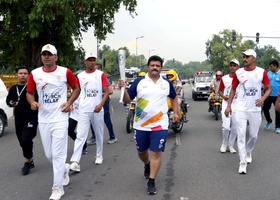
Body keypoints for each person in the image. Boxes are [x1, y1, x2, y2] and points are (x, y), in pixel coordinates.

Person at [118, 55, 179, 195]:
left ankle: (151, 181)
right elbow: (128, 100)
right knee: (142, 151)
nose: (155, 68)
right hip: (141, 124)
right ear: (148, 67)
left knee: (156, 152)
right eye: (152, 65)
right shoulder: (139, 82)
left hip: (160, 124)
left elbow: (174, 97)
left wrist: (175, 112)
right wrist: (124, 89)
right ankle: (147, 164)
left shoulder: (166, 83)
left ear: (161, 68)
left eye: (157, 66)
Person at [26, 44, 80, 200]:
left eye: (50, 54)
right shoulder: (35, 74)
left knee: (57, 154)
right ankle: (64, 168)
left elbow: (76, 88)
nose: (46, 56)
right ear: (41, 56)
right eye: (44, 54)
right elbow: (29, 93)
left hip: (60, 118)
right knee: (49, 155)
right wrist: (32, 102)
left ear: (56, 57)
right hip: (43, 119)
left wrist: (69, 103)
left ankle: (57, 188)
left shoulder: (65, 72)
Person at [225, 49, 271, 174]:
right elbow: (233, 89)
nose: (244, 59)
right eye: (244, 56)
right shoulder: (238, 72)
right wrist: (229, 106)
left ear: (254, 58)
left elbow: (268, 89)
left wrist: (262, 99)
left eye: (247, 57)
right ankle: (242, 162)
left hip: (255, 109)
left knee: (253, 136)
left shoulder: (261, 72)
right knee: (240, 136)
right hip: (240, 108)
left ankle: (248, 150)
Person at [69, 52, 109, 172]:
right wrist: (70, 103)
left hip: (97, 109)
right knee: (81, 135)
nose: (92, 62)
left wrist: (101, 104)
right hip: (84, 109)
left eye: (93, 60)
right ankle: (75, 161)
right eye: (89, 60)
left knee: (99, 133)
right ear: (85, 61)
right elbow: (77, 91)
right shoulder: (80, 76)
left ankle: (99, 155)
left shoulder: (100, 74)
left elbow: (107, 91)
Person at [6, 66, 38, 175]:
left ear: (28, 75)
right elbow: (8, 100)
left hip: (31, 118)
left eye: (25, 73)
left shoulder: (32, 88)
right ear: (16, 75)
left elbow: (38, 101)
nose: (23, 75)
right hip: (18, 119)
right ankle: (30, 158)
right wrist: (11, 103)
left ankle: (27, 162)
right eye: (20, 73)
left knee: (26, 139)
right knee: (22, 142)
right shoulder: (13, 88)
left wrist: (36, 105)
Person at [87, 63, 117, 145]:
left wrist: (100, 94)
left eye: (96, 69)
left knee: (106, 119)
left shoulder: (103, 77)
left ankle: (112, 136)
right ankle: (94, 137)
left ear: (100, 69)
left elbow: (110, 91)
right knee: (91, 119)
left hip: (104, 101)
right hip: (93, 101)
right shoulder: (91, 78)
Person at [218, 59, 239, 154]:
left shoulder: (241, 78)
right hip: (226, 104)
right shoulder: (225, 78)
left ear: (238, 67)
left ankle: (230, 145)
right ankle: (224, 143)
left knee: (235, 127)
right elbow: (220, 90)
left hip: (237, 104)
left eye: (234, 65)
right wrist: (223, 97)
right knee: (226, 127)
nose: (232, 67)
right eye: (231, 65)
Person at [262, 60, 280, 133]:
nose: (270, 67)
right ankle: (269, 121)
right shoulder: (268, 73)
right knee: (265, 108)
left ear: (275, 66)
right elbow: (265, 83)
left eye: (271, 66)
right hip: (268, 95)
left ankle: (278, 127)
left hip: (277, 96)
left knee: (278, 111)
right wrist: (263, 91)